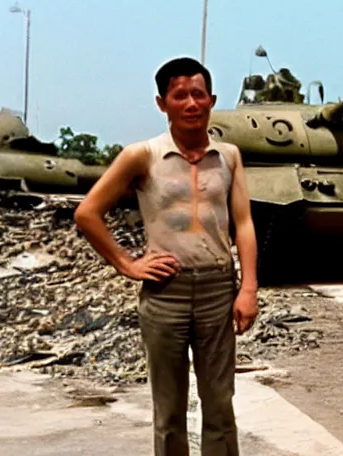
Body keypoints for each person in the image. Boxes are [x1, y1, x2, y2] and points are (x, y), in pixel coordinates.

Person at [74, 56, 259, 456]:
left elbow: (243, 223)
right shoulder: (142, 156)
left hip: (216, 289)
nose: (190, 103)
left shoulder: (228, 156)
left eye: (198, 94)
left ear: (212, 100)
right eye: (180, 96)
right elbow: (87, 213)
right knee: (169, 411)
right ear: (162, 103)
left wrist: (249, 288)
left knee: (220, 406)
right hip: (165, 292)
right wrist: (127, 263)